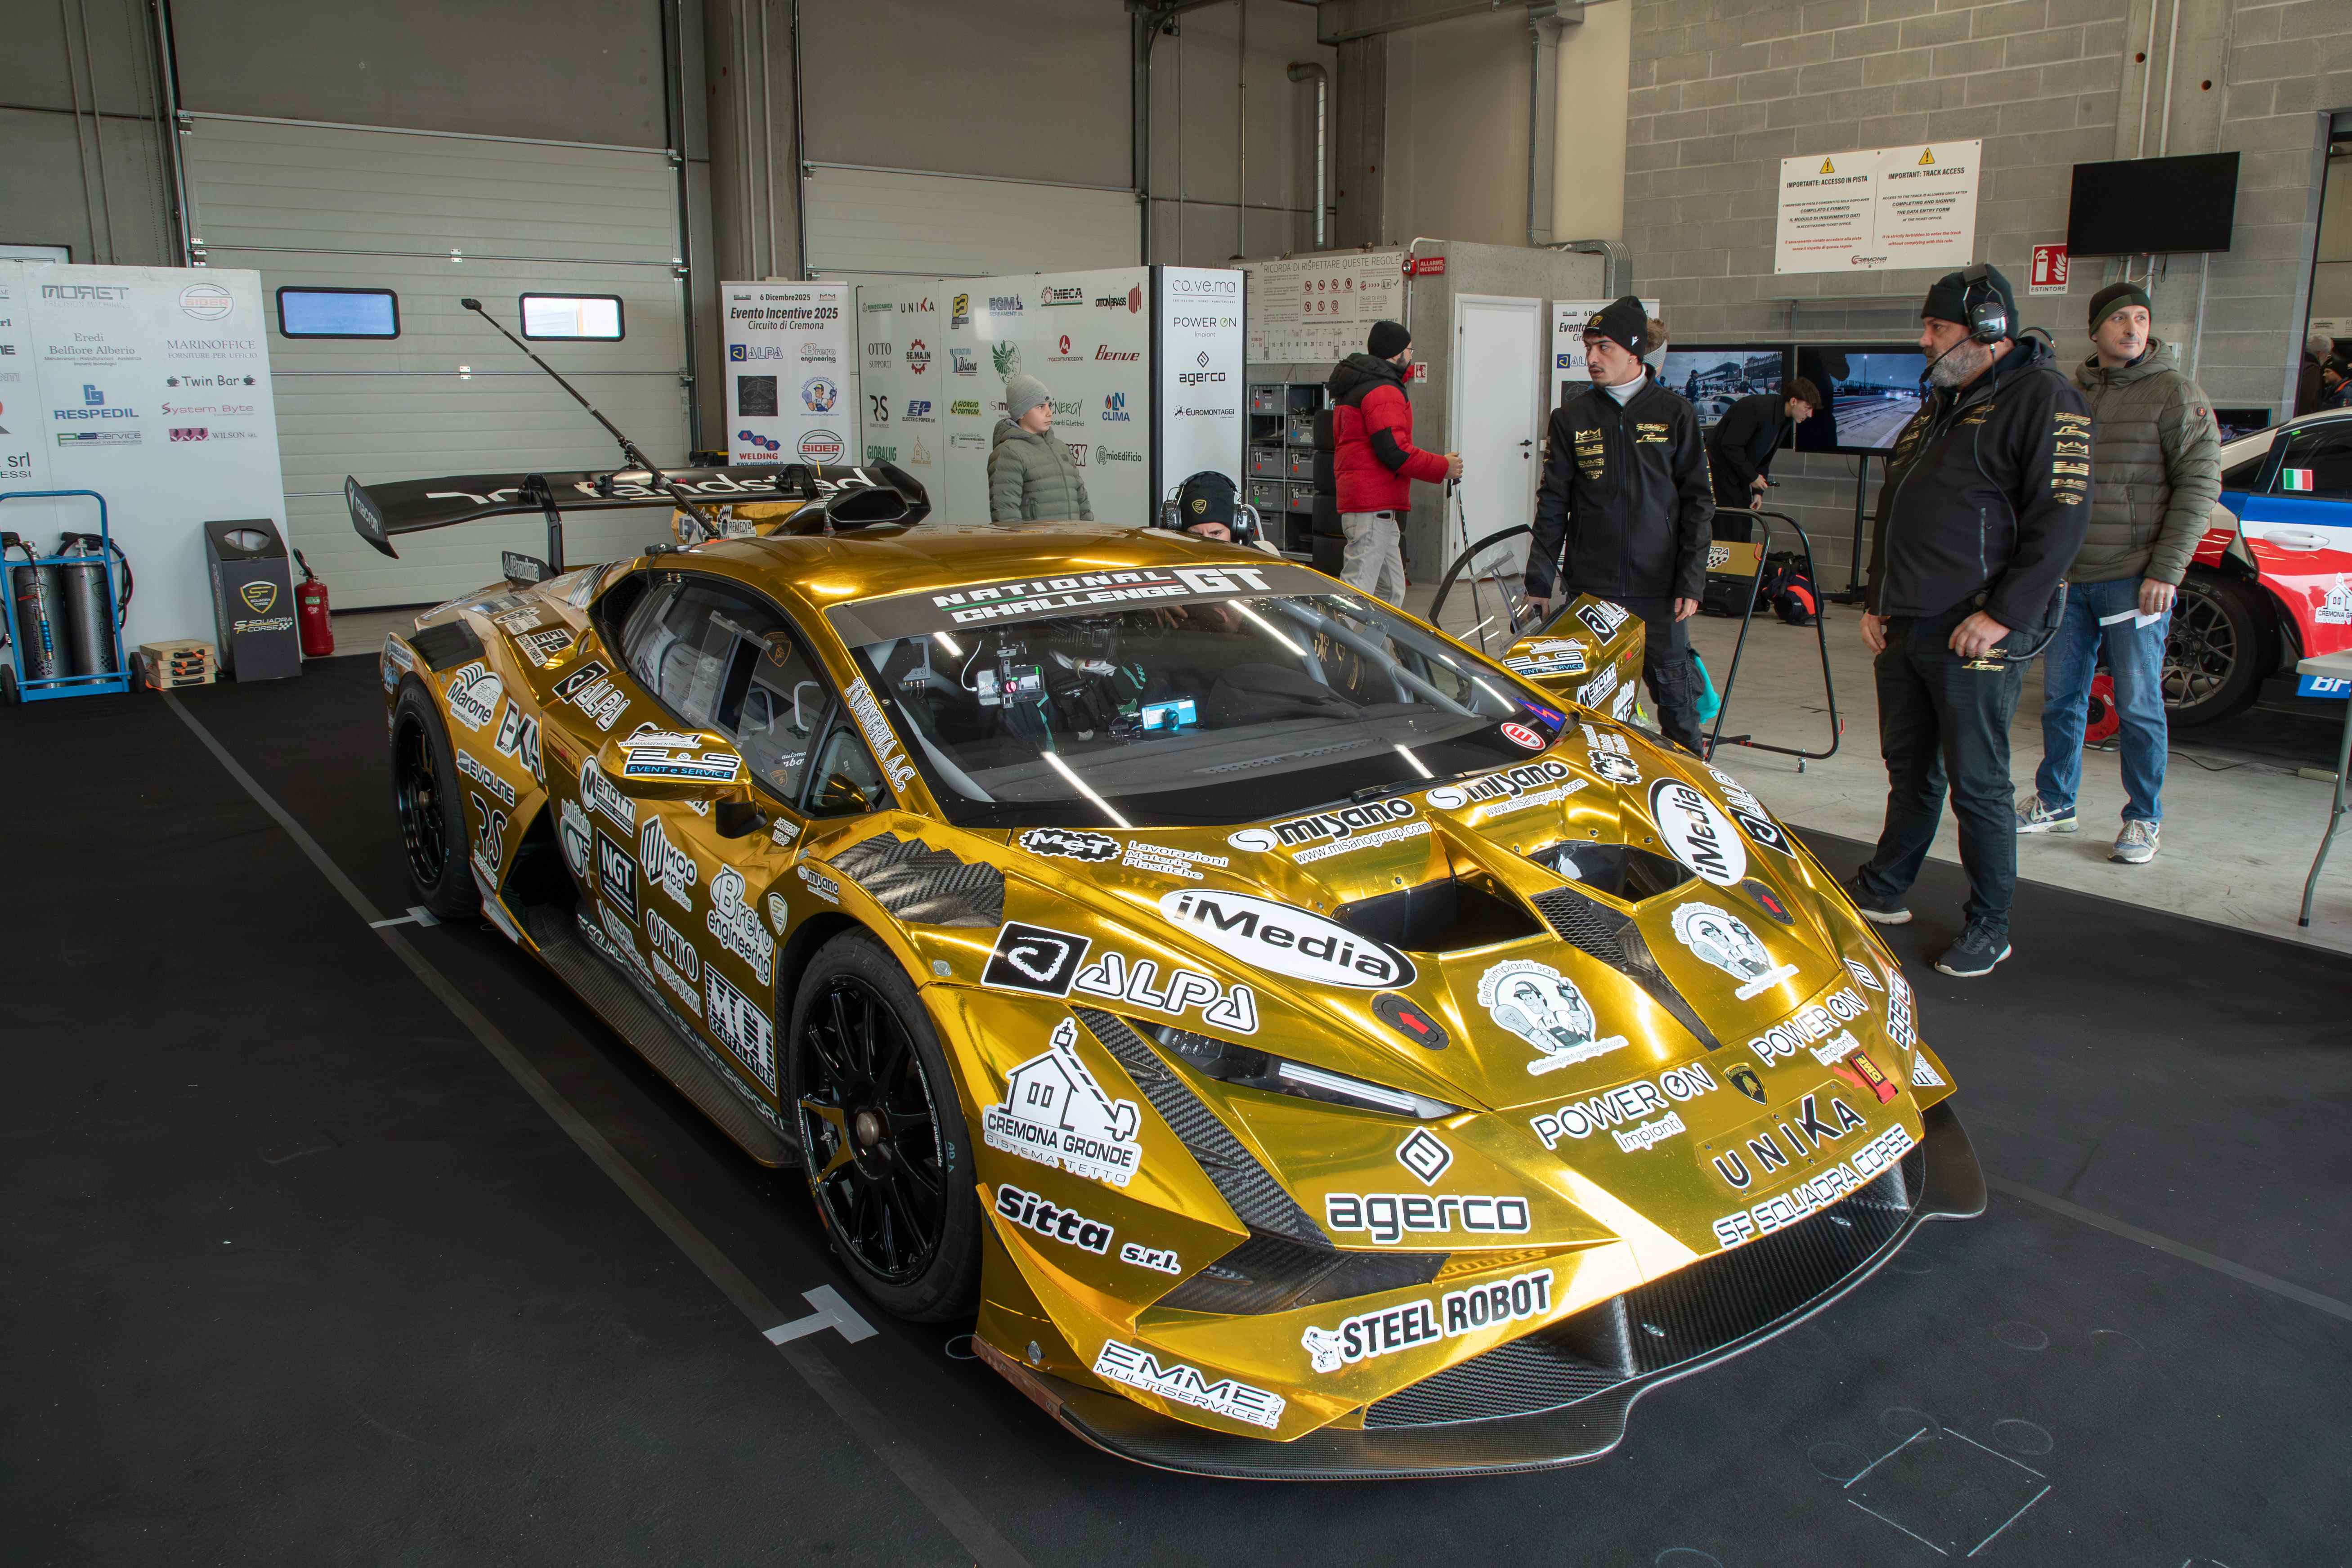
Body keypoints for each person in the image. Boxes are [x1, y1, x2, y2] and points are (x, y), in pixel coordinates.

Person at [1846, 264, 2091, 979]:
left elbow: (2062, 520)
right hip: (1909, 620)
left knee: (1977, 783)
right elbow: (1898, 505)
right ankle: (1886, 886)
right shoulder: (1943, 402)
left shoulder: (2045, 398)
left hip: (1974, 626)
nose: (1924, 341)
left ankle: (1990, 922)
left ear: (1987, 329)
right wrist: (1878, 597)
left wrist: (2003, 615)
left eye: (1937, 328)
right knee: (1909, 767)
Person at [2015, 284, 2221, 865]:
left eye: (2141, 318)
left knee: (2137, 705)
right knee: (2062, 700)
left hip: (2136, 580)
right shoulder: (2071, 393)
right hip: (2070, 579)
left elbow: (2200, 487)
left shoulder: (2175, 394)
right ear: (2095, 329)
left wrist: (2167, 570)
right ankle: (2056, 801)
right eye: (2119, 319)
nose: (2132, 329)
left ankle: (2143, 817)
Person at [1519, 295, 1714, 752]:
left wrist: (1691, 579)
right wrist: (1538, 582)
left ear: (1634, 352)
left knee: (1678, 705)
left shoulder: (1676, 414)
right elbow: (1553, 504)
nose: (1591, 358)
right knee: (1586, 708)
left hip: (1659, 588)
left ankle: (1693, 779)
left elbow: (1698, 503)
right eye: (1588, 347)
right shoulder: (1571, 418)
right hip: (1593, 587)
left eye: (1603, 347)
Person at [1327, 321, 1460, 605]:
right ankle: (1335, 637)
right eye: (1410, 350)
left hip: (1377, 509)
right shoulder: (1382, 390)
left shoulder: (1363, 383)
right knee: (1356, 595)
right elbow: (1394, 451)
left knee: (1390, 593)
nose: (1411, 356)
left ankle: (1377, 638)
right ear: (1396, 353)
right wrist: (1442, 467)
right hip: (1371, 508)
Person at [1706, 378, 1822, 540]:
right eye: (1807, 408)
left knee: (1744, 527)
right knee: (1729, 531)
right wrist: (1752, 477)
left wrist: (1758, 492)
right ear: (1794, 401)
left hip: (1738, 476)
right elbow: (1730, 446)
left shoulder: (1785, 420)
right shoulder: (1757, 408)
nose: (1810, 415)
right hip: (1719, 475)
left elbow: (1764, 457)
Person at [988, 374, 1091, 523]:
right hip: (1036, 539)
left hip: (1073, 538)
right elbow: (1006, 517)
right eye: (1041, 407)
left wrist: (1086, 534)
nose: (1049, 413)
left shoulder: (1061, 448)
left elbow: (1083, 505)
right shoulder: (1009, 453)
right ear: (1021, 413)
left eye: (1050, 406)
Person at [2295, 331, 2334, 416]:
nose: (2326, 360)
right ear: (2320, 354)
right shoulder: (2312, 369)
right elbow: (2308, 402)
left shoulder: (2299, 364)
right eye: (2328, 356)